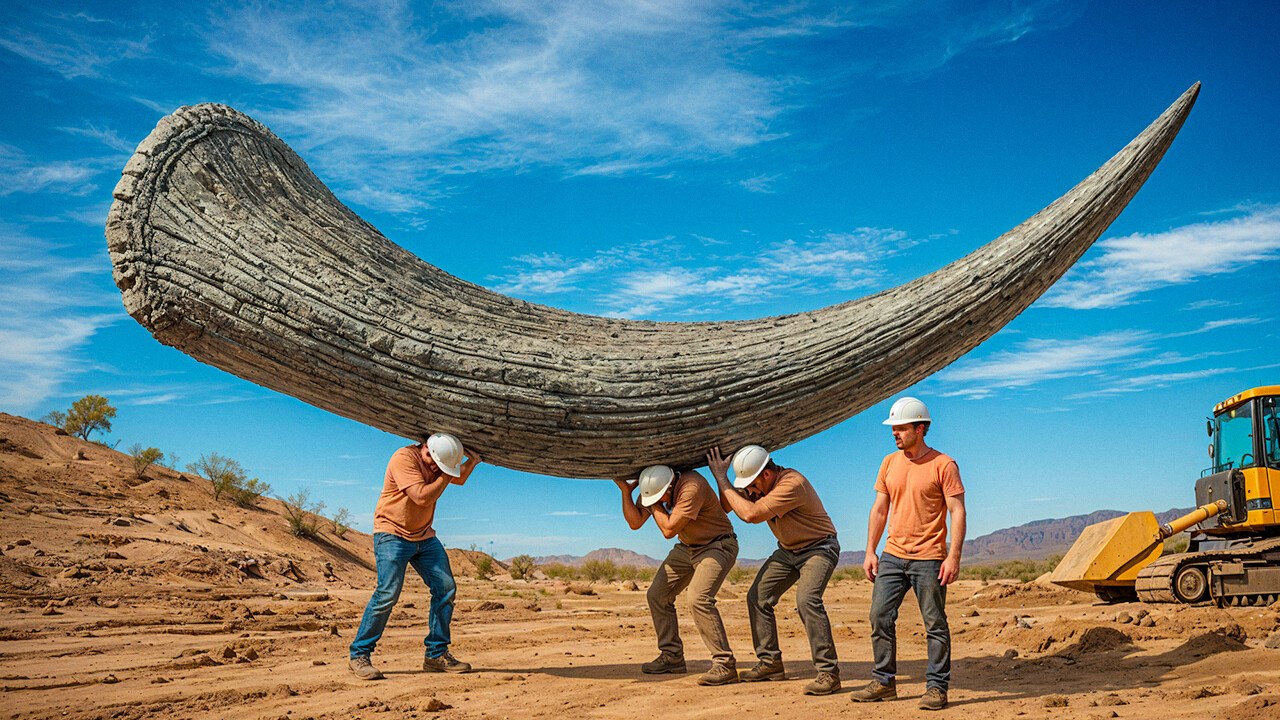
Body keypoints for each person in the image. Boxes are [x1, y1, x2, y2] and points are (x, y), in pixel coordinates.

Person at [850, 397, 966, 711]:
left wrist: (953, 556)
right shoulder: (889, 462)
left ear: (920, 428)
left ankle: (937, 688)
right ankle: (884, 682)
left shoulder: (944, 464)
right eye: (894, 428)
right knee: (879, 616)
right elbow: (879, 509)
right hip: (892, 554)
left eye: (901, 428)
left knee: (934, 623)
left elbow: (957, 511)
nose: (895, 433)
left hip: (929, 557)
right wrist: (870, 551)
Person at [706, 444, 841, 696]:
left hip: (819, 548)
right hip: (788, 551)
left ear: (766, 474)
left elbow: (750, 515)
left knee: (807, 600)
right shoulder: (760, 484)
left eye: (752, 484)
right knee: (757, 597)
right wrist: (722, 478)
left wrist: (722, 478)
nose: (749, 490)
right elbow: (727, 505)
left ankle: (828, 674)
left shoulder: (792, 484)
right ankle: (770, 664)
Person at [347, 432, 482, 680]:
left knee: (445, 587)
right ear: (426, 449)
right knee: (387, 593)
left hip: (424, 537)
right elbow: (421, 497)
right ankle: (359, 655)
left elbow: (459, 479)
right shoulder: (403, 458)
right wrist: (447, 472)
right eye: (436, 463)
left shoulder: (439, 461)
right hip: (392, 534)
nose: (436, 469)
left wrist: (472, 461)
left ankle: (436, 655)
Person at [613, 464, 740, 685]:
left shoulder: (692, 486)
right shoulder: (654, 488)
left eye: (661, 497)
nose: (659, 500)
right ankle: (672, 656)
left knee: (699, 599)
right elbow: (635, 522)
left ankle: (724, 664)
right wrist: (626, 492)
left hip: (717, 545)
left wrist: (652, 504)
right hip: (687, 547)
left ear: (671, 485)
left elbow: (669, 530)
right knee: (657, 595)